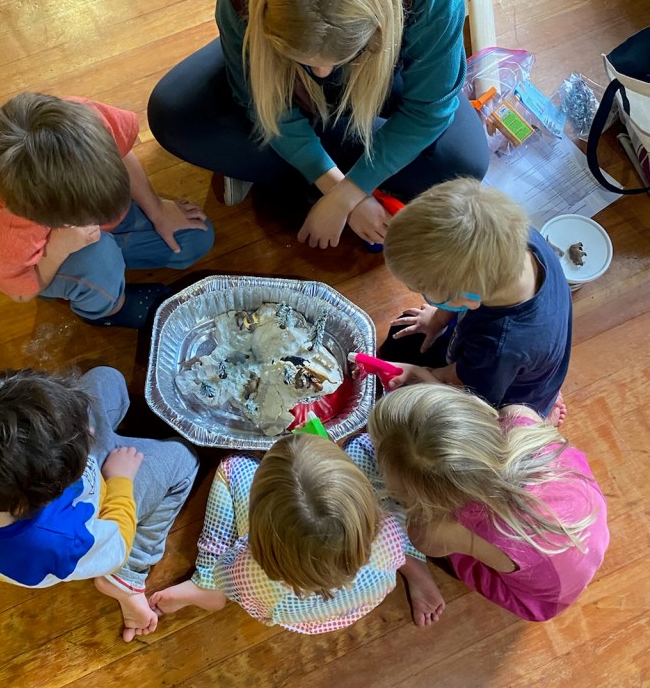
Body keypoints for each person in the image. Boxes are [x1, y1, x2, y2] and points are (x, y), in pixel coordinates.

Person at [147, 0, 488, 248]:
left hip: (383, 72)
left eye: (338, 59)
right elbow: (261, 102)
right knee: (174, 115)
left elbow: (429, 109)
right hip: (280, 70)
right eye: (306, 60)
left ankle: (263, 161)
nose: (322, 73)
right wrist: (341, 189)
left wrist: (346, 195)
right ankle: (297, 155)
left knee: (463, 163)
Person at [0, 365, 199, 641]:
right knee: (184, 458)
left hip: (51, 473)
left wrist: (67, 424)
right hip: (106, 496)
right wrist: (120, 480)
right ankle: (127, 578)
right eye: (81, 435)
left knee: (108, 377)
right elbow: (117, 543)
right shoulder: (61, 540)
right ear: (46, 494)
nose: (90, 429)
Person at [149, 431, 445, 632]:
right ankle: (415, 568)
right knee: (361, 444)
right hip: (363, 589)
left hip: (288, 609)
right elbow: (394, 517)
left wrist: (215, 576)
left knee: (233, 465)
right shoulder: (390, 533)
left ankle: (205, 585)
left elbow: (226, 570)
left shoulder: (249, 573)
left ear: (259, 535)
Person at [0, 93, 214, 328]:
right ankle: (108, 310)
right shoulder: (1, 231)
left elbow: (122, 150)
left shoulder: (85, 123)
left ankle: (106, 270)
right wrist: (58, 248)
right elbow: (21, 294)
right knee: (98, 254)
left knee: (195, 239)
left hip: (84, 234)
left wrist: (157, 210)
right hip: (47, 262)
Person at [368, 384, 609, 622]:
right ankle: (546, 427)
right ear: (474, 408)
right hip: (589, 528)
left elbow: (422, 540)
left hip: (545, 597)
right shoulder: (519, 416)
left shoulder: (437, 531)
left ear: (415, 494)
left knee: (439, 541)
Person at [377, 177, 572, 421]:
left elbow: (461, 393)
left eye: (425, 292)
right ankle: (542, 392)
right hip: (518, 362)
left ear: (467, 300)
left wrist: (418, 374)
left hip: (499, 400)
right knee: (404, 334)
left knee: (416, 413)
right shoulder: (517, 238)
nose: (417, 292)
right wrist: (437, 318)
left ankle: (539, 417)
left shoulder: (498, 348)